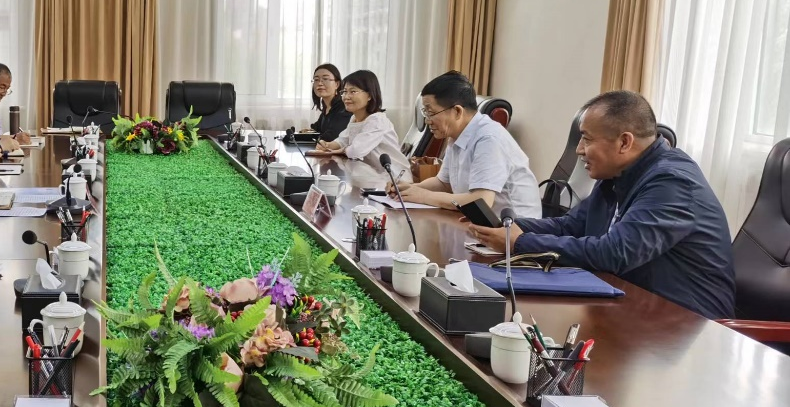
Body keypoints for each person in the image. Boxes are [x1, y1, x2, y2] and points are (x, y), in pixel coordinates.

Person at [468, 91, 735, 320]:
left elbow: (614, 253)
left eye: (587, 139)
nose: (578, 149)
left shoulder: (672, 182)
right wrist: (507, 226)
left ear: (624, 142)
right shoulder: (617, 175)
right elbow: (571, 226)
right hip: (633, 303)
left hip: (686, 322)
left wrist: (521, 242)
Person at [391, 71, 541, 218]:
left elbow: (481, 201)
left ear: (457, 111)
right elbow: (443, 183)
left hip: (514, 228)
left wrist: (423, 196)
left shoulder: (488, 139)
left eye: (431, 113)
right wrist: (409, 189)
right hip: (480, 223)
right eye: (425, 113)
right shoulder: (456, 136)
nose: (427, 120)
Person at [315, 69, 410, 181]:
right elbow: (343, 140)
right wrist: (328, 145)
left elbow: (356, 151)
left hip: (394, 178)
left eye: (353, 91)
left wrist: (341, 150)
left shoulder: (377, 120)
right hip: (370, 175)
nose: (346, 97)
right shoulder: (354, 118)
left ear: (369, 95)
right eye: (344, 91)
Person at [309, 63, 350, 142]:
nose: (320, 83)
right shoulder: (326, 107)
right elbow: (316, 129)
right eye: (316, 80)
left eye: (325, 79)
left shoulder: (344, 108)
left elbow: (332, 137)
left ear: (337, 84)